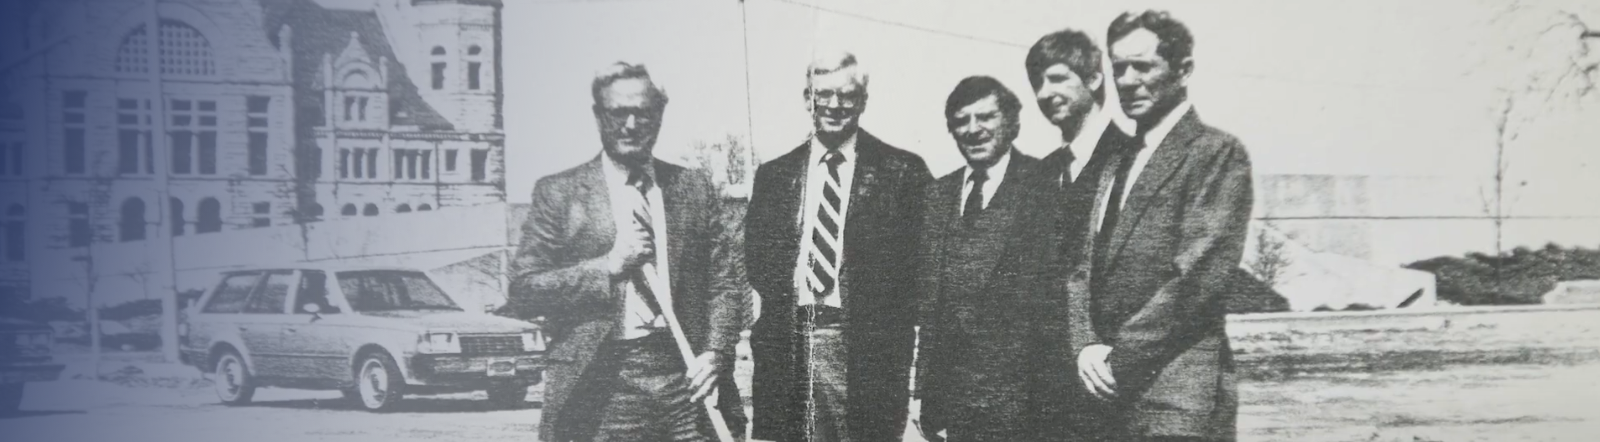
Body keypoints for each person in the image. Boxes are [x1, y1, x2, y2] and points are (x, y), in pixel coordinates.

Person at [506, 62, 746, 442]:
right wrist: (608, 266)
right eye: (619, 113)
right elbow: (523, 289)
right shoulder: (559, 193)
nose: (631, 125)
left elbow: (725, 285)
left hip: (686, 377)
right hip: (606, 385)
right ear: (599, 115)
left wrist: (715, 353)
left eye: (643, 113)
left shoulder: (691, 188)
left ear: (660, 115)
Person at [1060, 10, 1253, 442]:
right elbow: (1080, 267)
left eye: (1142, 66)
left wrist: (1117, 360)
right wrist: (1085, 345)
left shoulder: (1216, 154)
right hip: (1103, 394)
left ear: (1182, 70)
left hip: (1175, 401)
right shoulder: (1115, 161)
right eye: (1118, 68)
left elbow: (1195, 281)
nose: (1127, 81)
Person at [744, 51, 933, 442]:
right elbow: (758, 262)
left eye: (846, 96)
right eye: (822, 94)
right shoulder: (774, 175)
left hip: (863, 351)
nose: (833, 105)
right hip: (788, 343)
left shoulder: (903, 172)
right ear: (806, 98)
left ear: (863, 100)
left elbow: (922, 272)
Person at [914, 76, 1076, 442]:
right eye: (961, 121)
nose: (973, 130)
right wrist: (923, 394)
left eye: (985, 117)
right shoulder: (937, 196)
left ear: (1012, 123)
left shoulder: (1049, 185)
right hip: (954, 410)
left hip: (1030, 407)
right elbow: (932, 310)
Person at [1025, 28, 1129, 193]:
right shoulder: (1040, 174)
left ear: (1093, 81)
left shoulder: (1130, 157)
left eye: (1057, 79)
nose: (1043, 93)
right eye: (1037, 83)